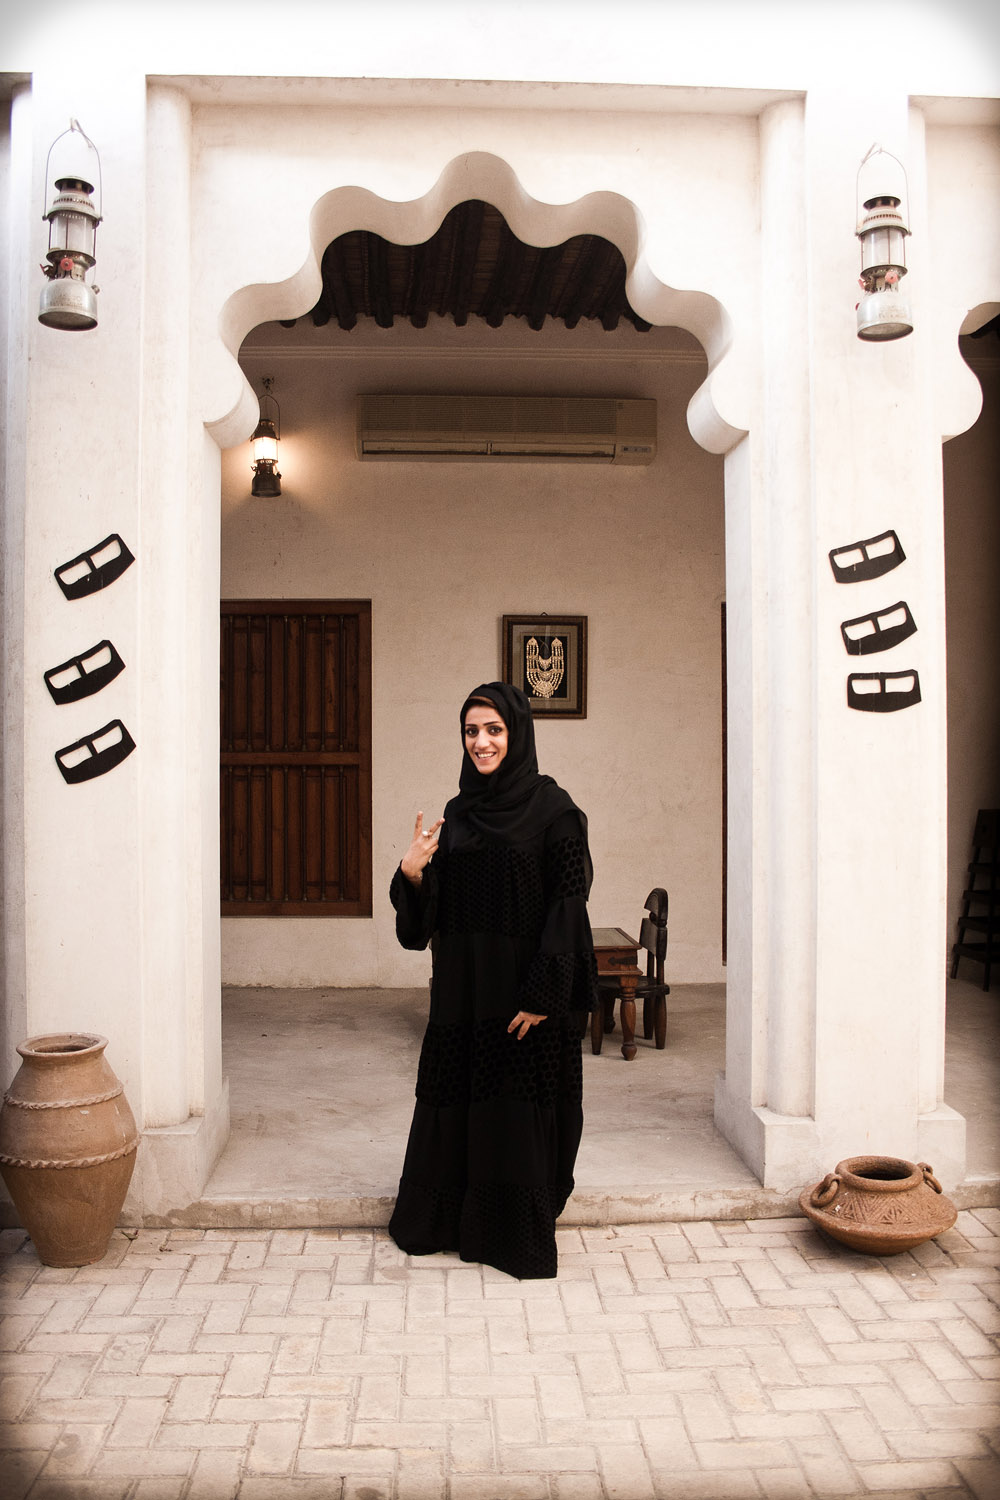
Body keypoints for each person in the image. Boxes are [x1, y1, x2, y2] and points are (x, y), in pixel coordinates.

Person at [388, 681, 598, 1280]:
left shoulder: (555, 813)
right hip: (464, 995)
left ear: (518, 733)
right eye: (471, 731)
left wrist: (543, 994)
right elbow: (433, 918)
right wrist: (413, 873)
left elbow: (567, 907)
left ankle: (509, 1234)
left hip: (522, 997)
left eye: (494, 730)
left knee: (515, 1112)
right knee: (457, 1102)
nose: (481, 742)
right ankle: (448, 1222)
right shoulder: (459, 814)